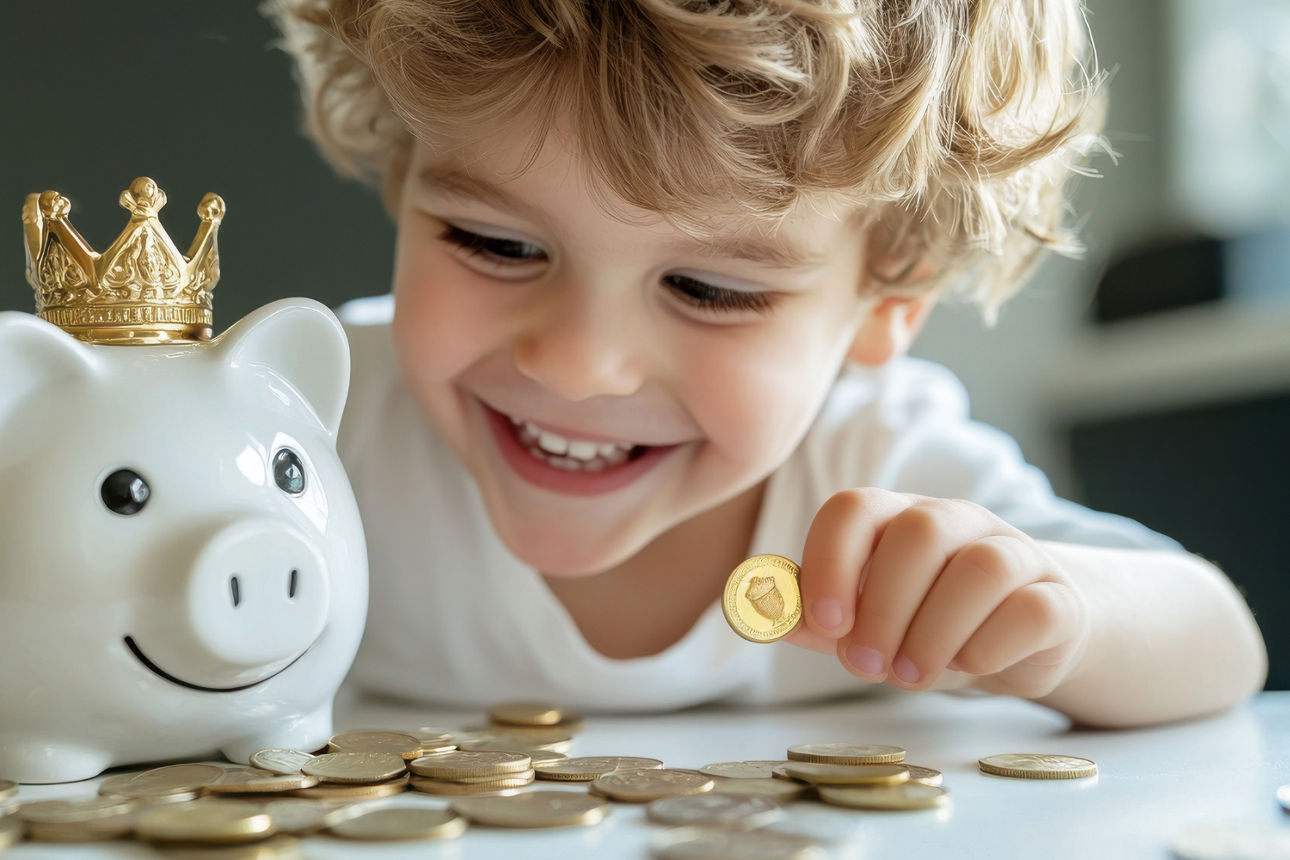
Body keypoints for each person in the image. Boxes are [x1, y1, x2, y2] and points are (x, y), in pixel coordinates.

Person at [267, 0, 1266, 727]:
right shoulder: (311, 426)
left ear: (888, 304)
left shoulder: (876, 463)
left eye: (708, 290)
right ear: (404, 179)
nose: (578, 367)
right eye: (496, 243)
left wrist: (1060, 618)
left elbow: (1221, 639)